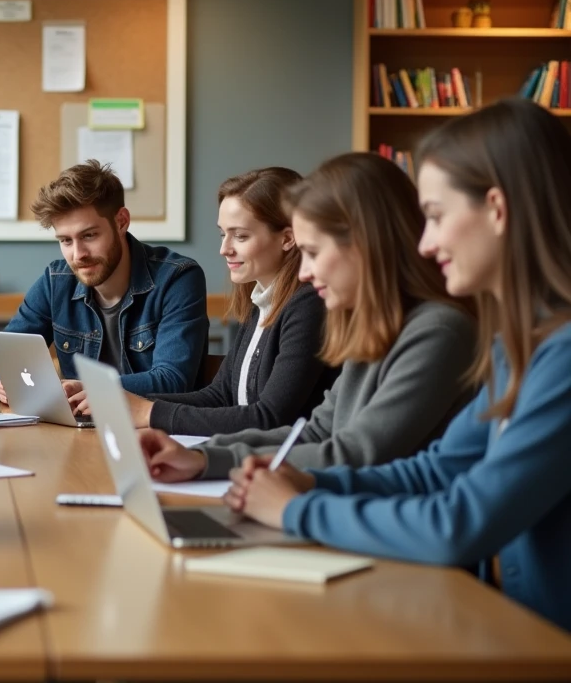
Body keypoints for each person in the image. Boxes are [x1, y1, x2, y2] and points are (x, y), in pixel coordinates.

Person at [224, 100, 571, 632]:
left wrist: (294, 510)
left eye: (436, 216)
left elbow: (460, 524)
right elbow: (437, 469)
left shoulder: (560, 356)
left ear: (497, 210)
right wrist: (308, 482)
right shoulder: (517, 347)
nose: (426, 242)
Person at [137, 153, 477, 481]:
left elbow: (356, 454)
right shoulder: (370, 327)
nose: (305, 272)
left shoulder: (438, 332)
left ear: (366, 245)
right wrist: (204, 457)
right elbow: (316, 432)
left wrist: (210, 459)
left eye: (312, 252)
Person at [0, 160, 209, 411]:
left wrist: (92, 388)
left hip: (152, 428)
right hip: (77, 428)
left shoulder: (177, 278)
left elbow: (173, 381)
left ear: (121, 222)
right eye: (66, 241)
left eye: (89, 236)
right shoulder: (56, 282)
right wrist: (3, 384)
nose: (78, 255)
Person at [125, 167, 338, 434]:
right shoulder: (261, 301)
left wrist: (150, 413)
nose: (224, 249)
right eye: (222, 234)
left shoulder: (308, 305)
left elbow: (269, 418)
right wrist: (128, 402)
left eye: (240, 236)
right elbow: (220, 396)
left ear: (287, 238)